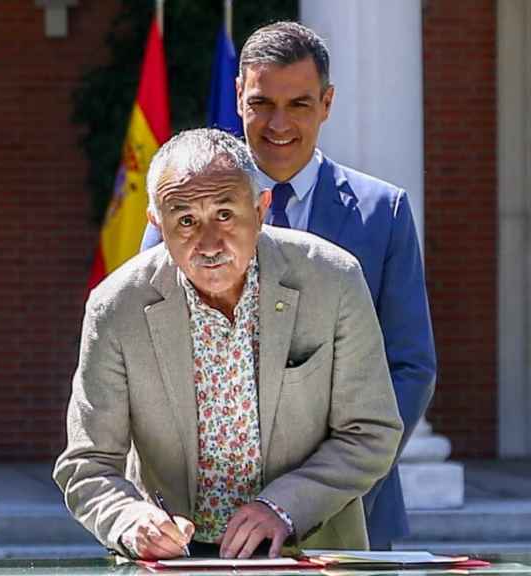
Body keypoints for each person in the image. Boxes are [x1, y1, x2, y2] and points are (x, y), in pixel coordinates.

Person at [139, 21, 436, 549]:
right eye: (261, 103)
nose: (279, 124)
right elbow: (147, 347)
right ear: (237, 96)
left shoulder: (381, 214)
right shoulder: (183, 202)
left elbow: (409, 367)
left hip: (349, 517)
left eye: (299, 104)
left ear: (327, 103)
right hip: (202, 529)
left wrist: (323, 488)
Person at [55, 128, 403, 560]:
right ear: (156, 223)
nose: (209, 243)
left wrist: (282, 507)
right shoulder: (115, 308)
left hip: (308, 552)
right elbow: (88, 465)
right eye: (185, 220)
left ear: (260, 209)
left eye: (225, 214)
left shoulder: (333, 280)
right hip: (174, 561)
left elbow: (371, 432)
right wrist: (130, 520)